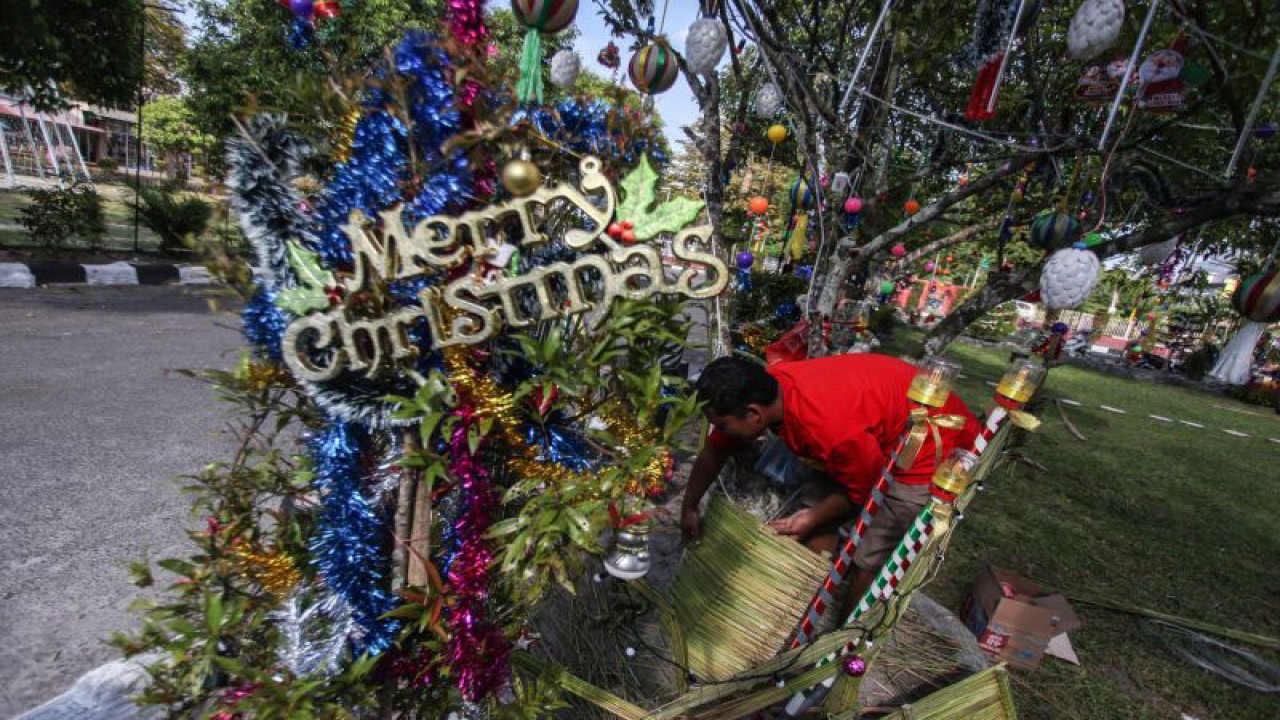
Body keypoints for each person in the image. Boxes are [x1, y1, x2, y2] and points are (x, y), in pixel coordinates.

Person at [681, 354, 978, 602]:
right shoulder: (772, 387)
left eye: (723, 425)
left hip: (931, 446)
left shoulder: (829, 430)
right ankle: (804, 595)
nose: (722, 431)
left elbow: (864, 487)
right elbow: (714, 451)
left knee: (872, 556)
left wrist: (815, 516)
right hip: (867, 433)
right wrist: (690, 506)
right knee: (813, 510)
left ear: (754, 415)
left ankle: (844, 639)